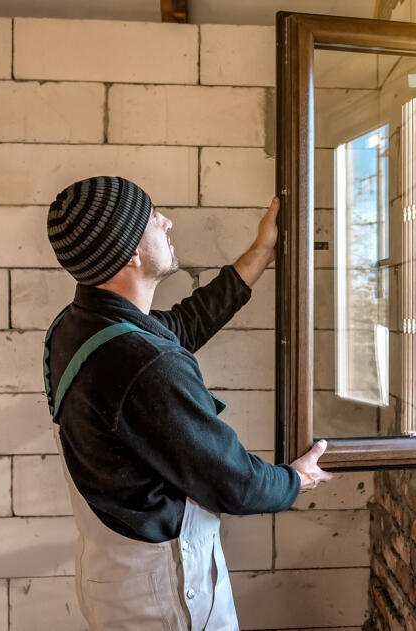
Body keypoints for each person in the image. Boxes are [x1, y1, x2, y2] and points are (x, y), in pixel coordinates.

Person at [42, 175, 332, 631]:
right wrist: (295, 479)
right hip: (165, 595)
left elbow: (182, 324)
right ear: (131, 252)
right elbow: (232, 482)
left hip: (113, 576)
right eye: (153, 218)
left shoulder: (78, 327)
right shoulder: (143, 364)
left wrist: (261, 252)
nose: (167, 222)